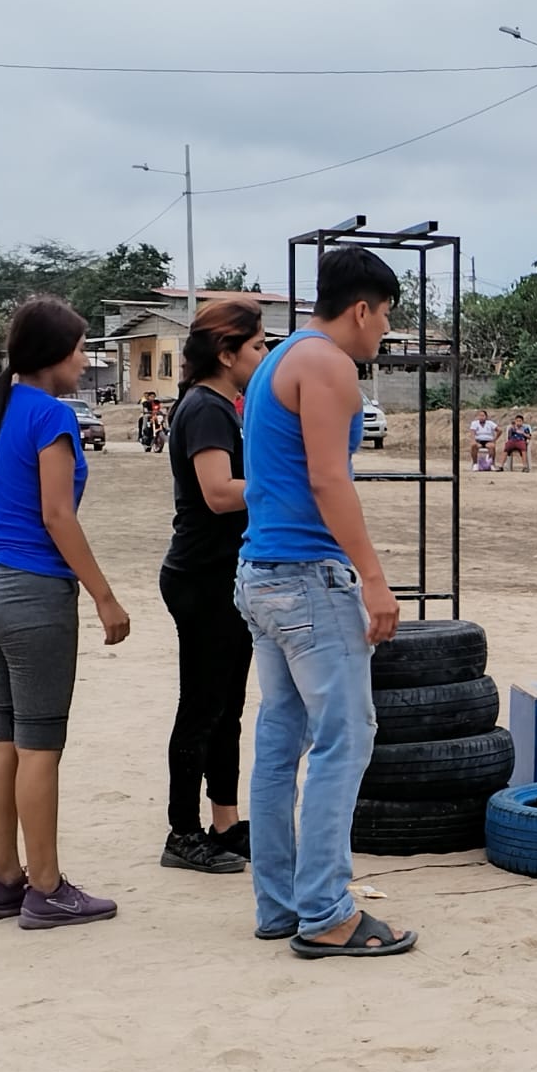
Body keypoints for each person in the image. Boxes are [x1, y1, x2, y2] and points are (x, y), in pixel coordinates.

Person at [237, 246, 415, 959]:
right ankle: (327, 912)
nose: (385, 332)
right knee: (346, 738)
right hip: (309, 579)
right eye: (386, 316)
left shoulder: (276, 361)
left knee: (280, 741)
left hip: (261, 574)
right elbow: (328, 479)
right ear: (362, 309)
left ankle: (280, 904)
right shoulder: (330, 365)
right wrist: (373, 577)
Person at [0, 296, 132, 929]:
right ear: (55, 355)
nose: (85, 361)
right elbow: (57, 516)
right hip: (31, 597)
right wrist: (104, 594)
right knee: (40, 746)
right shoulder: (52, 416)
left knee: (2, 740)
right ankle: (47, 888)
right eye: (81, 350)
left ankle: (4, 880)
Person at [158, 300, 268, 874]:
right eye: (258, 346)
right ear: (226, 355)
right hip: (201, 578)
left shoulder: (225, 406)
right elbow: (219, 493)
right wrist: (284, 483)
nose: (265, 356)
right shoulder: (205, 408)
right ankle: (183, 831)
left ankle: (225, 822)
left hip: (224, 575)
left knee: (227, 709)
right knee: (202, 708)